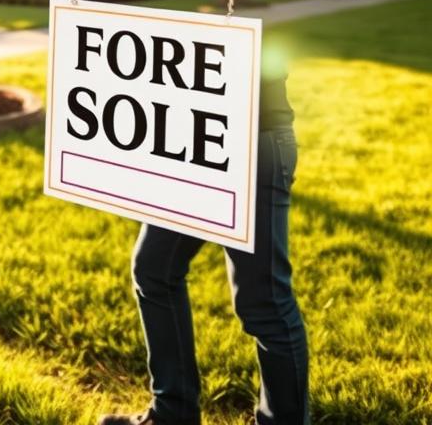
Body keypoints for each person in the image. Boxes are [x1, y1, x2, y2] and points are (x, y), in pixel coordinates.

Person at [99, 68, 308, 425]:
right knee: (154, 269)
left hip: (253, 139)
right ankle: (173, 414)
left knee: (263, 302)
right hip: (190, 133)